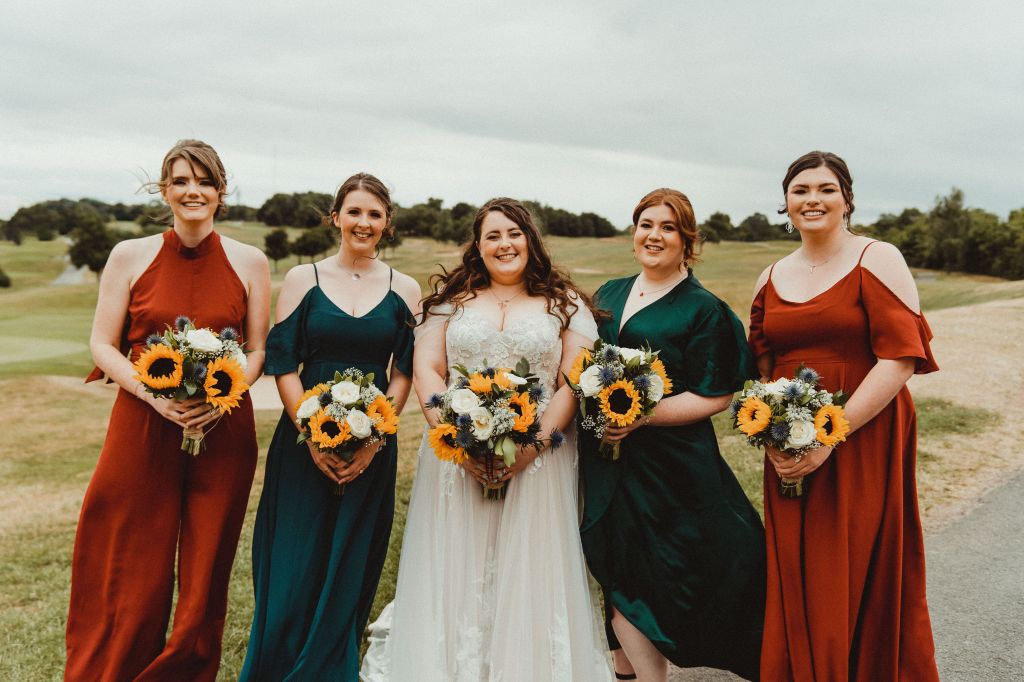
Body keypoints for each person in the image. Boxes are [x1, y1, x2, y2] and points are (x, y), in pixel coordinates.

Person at [361, 198, 613, 681]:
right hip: (455, 459)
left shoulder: (565, 304)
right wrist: (457, 442)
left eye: (513, 234)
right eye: (493, 236)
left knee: (530, 568)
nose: (504, 244)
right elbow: (428, 371)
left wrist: (530, 448)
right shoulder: (448, 303)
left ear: (530, 240)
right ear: (477, 247)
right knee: (459, 563)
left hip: (541, 458)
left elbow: (570, 383)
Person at [65, 140, 270, 681]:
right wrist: (156, 397)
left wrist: (221, 398)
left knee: (204, 576)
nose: (192, 190)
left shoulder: (251, 261)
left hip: (222, 431)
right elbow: (102, 345)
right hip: (140, 426)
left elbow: (257, 352)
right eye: (180, 180)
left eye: (204, 181)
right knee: (131, 567)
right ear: (164, 190)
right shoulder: (128, 255)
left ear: (221, 192)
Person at [749, 151, 939, 680]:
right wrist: (770, 433)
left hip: (864, 434)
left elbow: (900, 358)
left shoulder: (877, 258)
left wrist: (832, 435)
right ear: (785, 203)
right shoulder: (770, 275)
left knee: (847, 565)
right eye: (801, 189)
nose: (813, 199)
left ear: (847, 198)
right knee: (796, 563)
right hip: (787, 439)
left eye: (826, 189)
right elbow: (762, 366)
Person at [579, 188, 765, 682]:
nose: (653, 236)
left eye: (668, 227)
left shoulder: (703, 309)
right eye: (646, 224)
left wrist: (640, 418)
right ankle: (629, 673)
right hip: (607, 459)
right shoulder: (609, 295)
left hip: (674, 468)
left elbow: (716, 393)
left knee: (669, 573)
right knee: (614, 567)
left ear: (688, 240)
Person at [240, 173, 420, 680]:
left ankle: (328, 667)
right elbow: (283, 365)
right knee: (294, 562)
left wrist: (376, 438)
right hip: (302, 446)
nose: (364, 223)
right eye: (355, 212)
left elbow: (404, 371)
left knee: (350, 562)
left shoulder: (404, 288)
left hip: (373, 446)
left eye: (375, 214)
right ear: (336, 216)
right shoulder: (303, 279)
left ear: (386, 224)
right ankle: (278, 665)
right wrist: (312, 436)